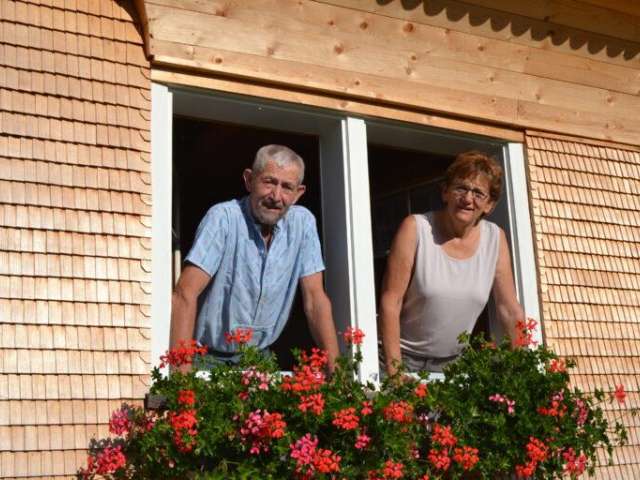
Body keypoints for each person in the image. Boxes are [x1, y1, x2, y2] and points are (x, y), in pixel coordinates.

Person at [170, 144, 339, 370]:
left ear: (298, 193)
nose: (276, 196)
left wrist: (337, 374)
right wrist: (181, 377)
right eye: (269, 182)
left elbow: (315, 299)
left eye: (287, 187)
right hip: (206, 357)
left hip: (259, 358)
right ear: (249, 180)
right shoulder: (223, 218)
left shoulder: (303, 224)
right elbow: (185, 293)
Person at [379, 151, 525, 375]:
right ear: (445, 192)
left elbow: (509, 310)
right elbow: (391, 301)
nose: (467, 199)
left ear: (489, 205)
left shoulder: (495, 239)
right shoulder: (416, 228)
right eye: (461, 188)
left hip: (453, 364)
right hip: (401, 358)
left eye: (478, 193)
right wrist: (395, 372)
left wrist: (523, 371)